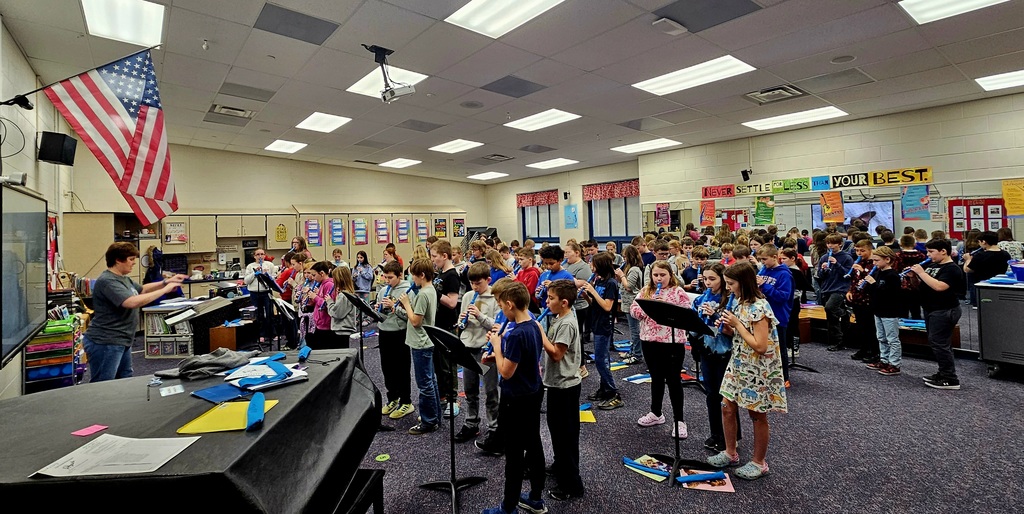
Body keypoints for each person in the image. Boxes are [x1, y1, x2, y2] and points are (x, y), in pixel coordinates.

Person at [707, 262, 787, 480]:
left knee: (756, 414)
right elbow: (735, 334)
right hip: (739, 362)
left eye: (731, 284)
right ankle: (730, 452)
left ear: (744, 283)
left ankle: (759, 462)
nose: (729, 288)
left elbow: (760, 345)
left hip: (758, 368)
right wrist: (721, 322)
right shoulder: (739, 302)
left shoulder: (760, 307)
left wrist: (737, 325)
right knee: (726, 407)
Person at [481, 281, 546, 514]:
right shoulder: (534, 324)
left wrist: (497, 347)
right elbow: (522, 360)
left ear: (510, 304)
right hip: (532, 391)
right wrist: (499, 355)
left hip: (516, 397)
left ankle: (508, 507)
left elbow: (507, 372)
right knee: (534, 445)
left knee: (515, 454)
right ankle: (536, 498)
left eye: (501, 305)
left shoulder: (516, 333)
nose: (500, 310)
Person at [84, 242, 186, 382]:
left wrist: (165, 282)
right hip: (106, 341)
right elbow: (131, 302)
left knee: (125, 379)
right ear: (118, 260)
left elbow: (141, 290)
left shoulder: (123, 278)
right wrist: (164, 290)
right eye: (131, 259)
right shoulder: (108, 281)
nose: (133, 263)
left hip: (122, 340)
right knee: (104, 383)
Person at [629, 259, 692, 438]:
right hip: (649, 340)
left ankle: (679, 420)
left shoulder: (678, 291)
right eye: (655, 275)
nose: (659, 278)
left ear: (670, 275)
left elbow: (687, 312)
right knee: (656, 378)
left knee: (673, 380)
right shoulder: (646, 291)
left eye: (662, 275)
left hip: (672, 342)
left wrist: (664, 308)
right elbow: (633, 309)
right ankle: (656, 413)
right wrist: (647, 309)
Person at [538, 279, 585, 500]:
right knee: (557, 431)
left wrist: (541, 334)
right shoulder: (559, 318)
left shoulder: (566, 323)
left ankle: (571, 485)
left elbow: (556, 354)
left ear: (564, 302)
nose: (546, 302)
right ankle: (560, 466)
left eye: (551, 299)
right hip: (557, 383)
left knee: (566, 435)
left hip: (565, 386)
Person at [692, 263, 740, 452]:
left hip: (725, 352)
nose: (708, 282)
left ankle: (732, 437)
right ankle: (715, 433)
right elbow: (696, 327)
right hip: (707, 349)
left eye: (712, 279)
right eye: (705, 279)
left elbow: (734, 332)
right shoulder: (702, 297)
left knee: (726, 396)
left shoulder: (732, 300)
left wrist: (714, 316)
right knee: (711, 393)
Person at [908, 239, 966, 390]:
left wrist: (921, 272)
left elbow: (940, 287)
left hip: (945, 310)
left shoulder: (952, 269)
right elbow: (920, 286)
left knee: (940, 344)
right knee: (937, 343)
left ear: (943, 251)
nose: (928, 255)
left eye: (931, 252)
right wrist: (914, 277)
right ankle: (943, 372)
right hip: (931, 308)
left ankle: (950, 379)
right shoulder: (932, 265)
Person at [454, 262, 500, 446]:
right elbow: (463, 326)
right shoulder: (467, 296)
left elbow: (497, 325)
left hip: (486, 351)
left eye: (478, 283)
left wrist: (480, 316)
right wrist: (462, 322)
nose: (475, 287)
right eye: (472, 283)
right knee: (470, 390)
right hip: (468, 347)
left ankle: (494, 428)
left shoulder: (496, 298)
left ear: (488, 280)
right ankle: (471, 423)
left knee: (491, 392)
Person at [399, 258, 441, 434]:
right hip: (425, 341)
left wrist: (406, 304)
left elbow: (416, 321)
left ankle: (428, 421)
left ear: (422, 275)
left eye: (414, 276)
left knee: (424, 384)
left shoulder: (424, 294)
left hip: (421, 342)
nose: (412, 280)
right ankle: (434, 415)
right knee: (430, 381)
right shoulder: (428, 290)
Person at [577, 252, 621, 410]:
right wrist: (586, 295)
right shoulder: (598, 280)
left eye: (593, 264)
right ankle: (603, 389)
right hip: (596, 321)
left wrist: (593, 291)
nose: (590, 266)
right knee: (603, 359)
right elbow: (594, 303)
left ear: (600, 265)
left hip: (604, 324)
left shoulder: (611, 283)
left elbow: (608, 307)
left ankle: (613, 393)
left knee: (601, 361)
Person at [376, 261, 414, 420]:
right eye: (385, 277)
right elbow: (381, 316)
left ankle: (406, 401)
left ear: (400, 276)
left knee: (402, 369)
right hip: (384, 331)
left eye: (390, 278)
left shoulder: (407, 291)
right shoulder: (383, 290)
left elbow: (410, 317)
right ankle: (393, 398)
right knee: (387, 368)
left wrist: (394, 307)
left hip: (400, 333)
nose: (387, 281)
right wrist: (377, 310)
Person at [431, 240, 464, 418]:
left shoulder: (452, 275)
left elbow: (451, 303)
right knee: (438, 365)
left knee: (448, 365)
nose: (433, 260)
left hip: (448, 326)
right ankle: (443, 397)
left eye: (435, 256)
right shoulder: (440, 273)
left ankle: (453, 399)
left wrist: (433, 292)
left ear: (444, 256)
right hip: (437, 324)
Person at [859, 247, 904, 376]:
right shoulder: (878, 273)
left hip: (890, 311)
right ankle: (884, 360)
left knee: (892, 339)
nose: (874, 264)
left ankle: (894, 364)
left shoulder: (893, 275)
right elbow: (874, 292)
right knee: (881, 337)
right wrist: (866, 285)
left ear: (887, 259)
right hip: (878, 310)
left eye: (877, 260)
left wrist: (873, 284)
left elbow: (888, 294)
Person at [755, 245, 794, 386]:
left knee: (779, 348)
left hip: (778, 315)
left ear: (774, 257)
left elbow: (783, 296)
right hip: (763, 313)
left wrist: (764, 285)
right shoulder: (764, 269)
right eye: (760, 259)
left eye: (765, 259)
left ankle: (784, 377)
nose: (762, 262)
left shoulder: (784, 274)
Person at [818, 234, 854, 351]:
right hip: (827, 288)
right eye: (828, 243)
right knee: (831, 315)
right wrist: (823, 270)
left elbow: (847, 275)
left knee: (830, 308)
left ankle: (843, 316)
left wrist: (836, 264)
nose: (830, 246)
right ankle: (837, 340)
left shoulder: (847, 258)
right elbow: (819, 275)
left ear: (840, 244)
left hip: (840, 288)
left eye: (833, 243)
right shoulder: (824, 257)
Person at [846, 239, 879, 364]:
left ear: (870, 250)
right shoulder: (858, 262)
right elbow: (854, 279)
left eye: (862, 251)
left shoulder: (874, 263)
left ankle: (874, 351)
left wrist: (863, 270)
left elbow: (871, 279)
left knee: (870, 327)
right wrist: (850, 291)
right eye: (857, 250)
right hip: (857, 298)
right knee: (861, 326)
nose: (859, 253)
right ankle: (863, 348)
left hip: (869, 299)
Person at [963, 231, 1011, 307]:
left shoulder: (980, 255)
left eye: (979, 242)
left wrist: (968, 259)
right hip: (999, 283)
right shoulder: (1005, 254)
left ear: (984, 242)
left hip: (982, 285)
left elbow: (967, 270)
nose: (979, 244)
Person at [616, 245, 645, 365]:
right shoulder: (629, 268)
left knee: (635, 331)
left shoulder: (634, 269)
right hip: (627, 303)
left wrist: (622, 276)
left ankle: (637, 355)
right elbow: (623, 284)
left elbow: (629, 287)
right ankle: (633, 351)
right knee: (632, 330)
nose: (623, 259)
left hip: (632, 303)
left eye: (625, 256)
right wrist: (619, 276)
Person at [243, 248, 278, 346]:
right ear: (254, 256)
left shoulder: (270, 265)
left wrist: (266, 273)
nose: (260, 256)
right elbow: (246, 281)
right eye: (258, 254)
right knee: (259, 314)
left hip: (266, 292)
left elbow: (274, 279)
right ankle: (261, 335)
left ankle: (272, 333)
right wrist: (255, 273)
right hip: (254, 292)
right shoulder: (250, 266)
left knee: (270, 313)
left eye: (262, 254)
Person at [324, 265, 358, 348]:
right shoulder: (347, 294)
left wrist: (329, 302)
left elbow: (337, 314)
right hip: (343, 330)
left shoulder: (344, 296)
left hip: (342, 330)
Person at [306, 261, 337, 349]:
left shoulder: (329, 285)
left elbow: (327, 304)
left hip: (326, 325)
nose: (312, 277)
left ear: (322, 273)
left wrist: (315, 297)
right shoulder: (321, 285)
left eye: (314, 275)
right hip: (319, 324)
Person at [514, 248, 541, 314]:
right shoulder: (520, 272)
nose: (519, 262)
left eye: (522, 259)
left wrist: (515, 280)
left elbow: (528, 291)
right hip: (520, 302)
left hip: (530, 305)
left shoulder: (533, 273)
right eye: (519, 259)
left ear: (530, 260)